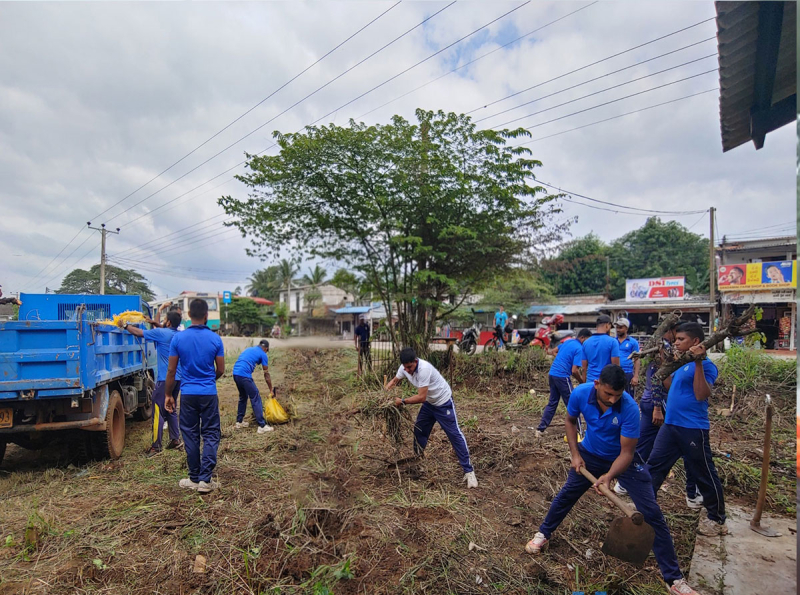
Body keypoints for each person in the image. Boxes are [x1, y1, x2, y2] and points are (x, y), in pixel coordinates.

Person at [525, 365, 701, 595]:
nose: (611, 399)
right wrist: (575, 454)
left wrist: (609, 476)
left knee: (652, 514)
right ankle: (543, 534)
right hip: (589, 454)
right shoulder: (580, 393)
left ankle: (674, 579)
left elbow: (627, 453)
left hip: (622, 461)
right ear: (597, 384)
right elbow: (570, 421)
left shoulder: (628, 408)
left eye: (617, 395)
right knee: (567, 494)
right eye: (608, 393)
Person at [646, 322, 727, 536]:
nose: (676, 342)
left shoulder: (707, 366)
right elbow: (671, 388)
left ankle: (717, 519)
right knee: (654, 465)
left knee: (703, 472)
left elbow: (701, 394)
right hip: (671, 425)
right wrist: (665, 363)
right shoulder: (682, 364)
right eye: (676, 339)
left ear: (696, 342)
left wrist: (699, 363)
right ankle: (645, 507)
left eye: (681, 339)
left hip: (692, 427)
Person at [385, 347, 477, 489]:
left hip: (443, 402)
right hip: (429, 404)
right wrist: (384, 394)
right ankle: (418, 461)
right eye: (405, 367)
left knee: (454, 434)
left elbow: (421, 397)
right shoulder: (404, 368)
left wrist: (402, 401)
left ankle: (469, 471)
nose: (407, 370)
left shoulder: (424, 369)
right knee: (419, 431)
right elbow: (394, 381)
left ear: (415, 362)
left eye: (409, 367)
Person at [165, 299, 225, 494]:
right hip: (208, 393)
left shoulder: (178, 339)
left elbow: (172, 370)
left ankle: (193, 477)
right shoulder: (215, 339)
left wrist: (168, 394)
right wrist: (208, 380)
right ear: (206, 315)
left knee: (190, 434)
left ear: (189, 315)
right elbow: (221, 369)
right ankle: (204, 480)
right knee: (210, 433)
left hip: (188, 394)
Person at [122, 310, 183, 456]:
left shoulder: (162, 334)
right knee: (171, 408)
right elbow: (161, 327)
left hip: (165, 379)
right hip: (179, 378)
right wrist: (154, 322)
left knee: (157, 411)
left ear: (168, 322)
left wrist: (124, 325)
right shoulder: (179, 335)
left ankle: (156, 446)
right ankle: (175, 439)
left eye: (164, 319)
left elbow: (138, 332)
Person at [535, 329, 592, 437]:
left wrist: (563, 360)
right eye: (587, 340)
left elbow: (552, 351)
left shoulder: (568, 341)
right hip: (562, 377)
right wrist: (581, 382)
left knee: (552, 402)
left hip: (552, 374)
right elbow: (574, 371)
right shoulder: (579, 348)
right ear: (583, 338)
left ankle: (540, 430)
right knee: (573, 403)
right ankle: (580, 432)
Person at [232, 339, 274, 434]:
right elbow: (266, 375)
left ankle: (239, 422)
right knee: (255, 397)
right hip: (244, 375)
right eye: (267, 351)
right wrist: (271, 389)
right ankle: (262, 426)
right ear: (266, 349)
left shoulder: (250, 349)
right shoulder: (263, 354)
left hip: (235, 373)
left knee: (243, 396)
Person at [580, 315, 620, 382]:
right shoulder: (612, 342)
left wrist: (584, 384)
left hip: (590, 382)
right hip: (606, 382)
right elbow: (615, 367)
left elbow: (584, 368)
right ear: (607, 325)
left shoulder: (586, 343)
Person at [614, 318, 640, 395]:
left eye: (621, 327)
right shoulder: (613, 341)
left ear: (626, 328)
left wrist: (636, 376)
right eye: (617, 327)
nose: (618, 330)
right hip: (615, 373)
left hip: (627, 373)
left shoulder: (633, 342)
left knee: (628, 396)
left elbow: (637, 359)